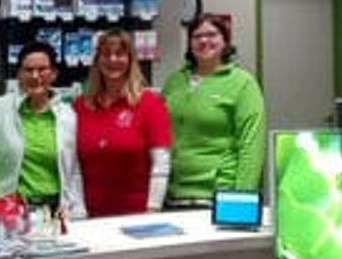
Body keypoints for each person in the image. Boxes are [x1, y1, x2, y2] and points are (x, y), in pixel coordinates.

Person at [160, 13, 266, 206]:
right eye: (197, 36)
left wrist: (242, 202)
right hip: (173, 194)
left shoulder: (243, 83)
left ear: (225, 41)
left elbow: (251, 146)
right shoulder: (174, 82)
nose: (204, 41)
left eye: (211, 35)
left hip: (219, 196)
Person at [74, 29, 171, 216]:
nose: (113, 60)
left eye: (120, 54)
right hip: (88, 214)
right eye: (106, 54)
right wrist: (77, 210)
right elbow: (73, 166)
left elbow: (161, 163)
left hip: (137, 214)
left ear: (130, 60)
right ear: (97, 61)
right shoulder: (81, 106)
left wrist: (153, 209)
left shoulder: (150, 104)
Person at [0, 39, 86, 218]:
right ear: (19, 74)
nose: (35, 76)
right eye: (28, 70)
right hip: (13, 210)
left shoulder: (68, 116)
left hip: (57, 209)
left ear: (54, 74)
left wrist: (76, 209)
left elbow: (73, 170)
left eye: (42, 69)